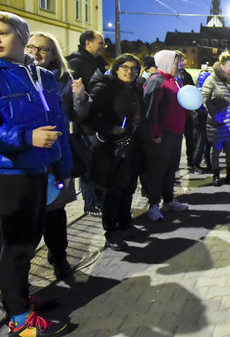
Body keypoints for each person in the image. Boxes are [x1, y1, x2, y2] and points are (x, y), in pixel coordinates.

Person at [0, 7, 71, 337]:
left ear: (20, 36)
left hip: (41, 169)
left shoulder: (43, 77)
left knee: (26, 241)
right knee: (18, 245)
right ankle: (20, 321)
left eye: (1, 33)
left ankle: (18, 300)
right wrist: (26, 138)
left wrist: (62, 168)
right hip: (10, 172)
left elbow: (59, 125)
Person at [25, 31, 90, 280]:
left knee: (55, 212)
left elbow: (78, 114)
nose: (36, 53)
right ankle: (18, 272)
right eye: (31, 47)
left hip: (55, 156)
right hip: (25, 156)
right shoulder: (15, 75)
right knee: (24, 217)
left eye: (43, 49)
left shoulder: (63, 79)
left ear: (53, 55)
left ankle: (59, 257)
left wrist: (79, 95)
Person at [86, 54, 146, 250]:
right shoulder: (105, 86)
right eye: (125, 67)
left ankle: (125, 224)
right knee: (112, 190)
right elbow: (88, 114)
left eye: (134, 69)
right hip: (111, 146)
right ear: (116, 67)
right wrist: (109, 127)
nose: (130, 72)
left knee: (128, 186)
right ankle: (111, 232)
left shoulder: (134, 87)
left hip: (131, 144)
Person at [141, 50, 190, 222]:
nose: (179, 66)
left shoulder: (175, 82)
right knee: (157, 170)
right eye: (176, 62)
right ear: (167, 62)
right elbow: (150, 110)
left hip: (176, 133)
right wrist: (155, 133)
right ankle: (153, 205)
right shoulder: (157, 82)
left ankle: (168, 200)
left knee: (171, 168)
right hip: (162, 134)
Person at [67, 30, 107, 216]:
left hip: (99, 122)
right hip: (86, 124)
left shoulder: (97, 63)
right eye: (100, 43)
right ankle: (91, 203)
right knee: (88, 163)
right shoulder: (76, 64)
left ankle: (99, 199)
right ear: (88, 43)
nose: (103, 46)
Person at [202, 53, 230, 187]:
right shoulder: (212, 79)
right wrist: (214, 114)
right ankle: (216, 174)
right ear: (222, 66)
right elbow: (205, 99)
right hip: (217, 121)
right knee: (216, 149)